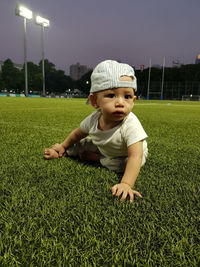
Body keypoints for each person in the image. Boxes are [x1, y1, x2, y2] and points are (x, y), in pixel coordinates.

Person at [44, 60, 148, 203]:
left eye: (127, 96)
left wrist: (126, 184)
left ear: (133, 101)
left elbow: (135, 156)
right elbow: (77, 134)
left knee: (122, 164)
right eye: (111, 95)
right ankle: (62, 152)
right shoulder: (94, 120)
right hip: (104, 145)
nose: (120, 102)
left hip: (125, 154)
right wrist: (63, 145)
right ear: (94, 101)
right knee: (84, 142)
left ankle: (98, 159)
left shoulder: (130, 123)